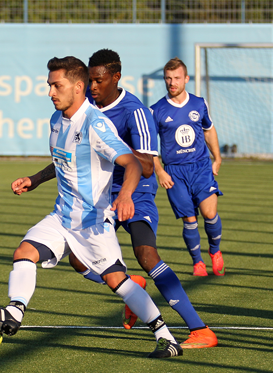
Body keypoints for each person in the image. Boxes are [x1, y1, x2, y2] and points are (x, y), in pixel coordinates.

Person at [0, 56, 183, 358]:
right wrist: (35, 179)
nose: (51, 92)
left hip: (93, 222)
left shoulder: (97, 124)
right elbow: (64, 159)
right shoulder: (57, 120)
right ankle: (14, 314)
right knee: (24, 252)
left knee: (117, 281)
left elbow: (133, 164)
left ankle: (166, 337)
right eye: (49, 86)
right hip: (61, 216)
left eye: (57, 86)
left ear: (78, 87)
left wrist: (124, 196)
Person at [67, 49, 217, 349]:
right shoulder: (86, 110)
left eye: (98, 81)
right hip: (101, 195)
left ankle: (200, 330)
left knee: (147, 255)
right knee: (76, 257)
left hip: (138, 193)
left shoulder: (135, 111)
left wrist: (111, 149)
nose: (92, 87)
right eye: (90, 81)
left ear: (116, 77)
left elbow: (147, 165)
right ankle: (129, 283)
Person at [151, 57, 225, 278]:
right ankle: (198, 262)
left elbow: (209, 130)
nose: (172, 82)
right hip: (174, 171)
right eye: (168, 78)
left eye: (176, 78)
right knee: (189, 219)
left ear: (186, 79)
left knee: (209, 213)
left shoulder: (199, 103)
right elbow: (149, 146)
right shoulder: (156, 110)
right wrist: (159, 170)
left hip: (201, 167)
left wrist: (217, 157)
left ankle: (215, 251)